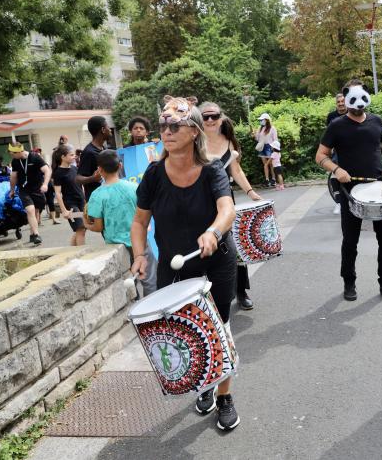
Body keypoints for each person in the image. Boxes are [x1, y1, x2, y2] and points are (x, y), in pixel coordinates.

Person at [130, 95, 241, 431]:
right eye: (163, 124)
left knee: (218, 328)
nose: (166, 130)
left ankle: (224, 396)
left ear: (194, 131)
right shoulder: (152, 174)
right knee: (185, 333)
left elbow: (227, 210)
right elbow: (139, 222)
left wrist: (213, 232)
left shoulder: (211, 171)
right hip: (175, 267)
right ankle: (204, 385)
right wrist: (139, 255)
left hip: (217, 261)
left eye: (175, 124)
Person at [315, 80, 382, 304]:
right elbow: (320, 156)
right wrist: (336, 169)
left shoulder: (375, 121)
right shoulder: (336, 125)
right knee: (350, 240)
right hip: (350, 190)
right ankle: (349, 282)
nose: (358, 105)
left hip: (379, 187)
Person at [199, 101, 262, 311]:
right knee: (205, 248)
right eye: (205, 116)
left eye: (213, 116)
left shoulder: (228, 141)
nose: (209, 120)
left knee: (234, 248)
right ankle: (206, 297)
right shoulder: (194, 140)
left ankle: (241, 291)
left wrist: (251, 192)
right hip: (199, 201)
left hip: (225, 201)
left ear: (221, 117)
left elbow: (236, 171)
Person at [85, 149, 158, 296]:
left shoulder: (97, 195)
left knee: (129, 283)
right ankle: (153, 315)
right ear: (120, 166)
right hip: (140, 242)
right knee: (150, 280)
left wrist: (86, 224)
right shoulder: (134, 187)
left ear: (99, 170)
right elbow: (145, 214)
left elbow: (98, 226)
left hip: (116, 247)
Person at [9, 142, 51, 245]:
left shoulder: (34, 157)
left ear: (19, 151)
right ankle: (36, 234)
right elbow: (13, 176)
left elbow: (47, 170)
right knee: (30, 210)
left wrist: (45, 184)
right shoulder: (15, 161)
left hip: (37, 188)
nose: (11, 155)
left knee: (35, 212)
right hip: (24, 189)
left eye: (12, 153)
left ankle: (32, 234)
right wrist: (12, 190)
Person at [51, 144, 85, 246]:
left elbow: (81, 186)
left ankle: (72, 251)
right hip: (71, 205)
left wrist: (86, 201)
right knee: (80, 229)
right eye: (71, 155)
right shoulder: (58, 173)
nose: (74, 156)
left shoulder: (75, 168)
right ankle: (82, 256)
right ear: (63, 157)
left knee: (82, 229)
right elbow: (57, 193)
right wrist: (64, 210)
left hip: (81, 202)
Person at [77, 115, 112, 201]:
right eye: (108, 127)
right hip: (96, 201)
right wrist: (93, 178)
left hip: (107, 198)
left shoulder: (103, 149)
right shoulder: (89, 152)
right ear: (103, 130)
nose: (110, 130)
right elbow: (78, 178)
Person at [254, 113, 278, 187]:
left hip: (269, 147)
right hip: (262, 147)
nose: (261, 121)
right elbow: (257, 139)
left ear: (266, 120)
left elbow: (275, 139)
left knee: (271, 164)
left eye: (262, 120)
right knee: (265, 164)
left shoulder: (272, 128)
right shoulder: (260, 128)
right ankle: (267, 180)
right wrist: (254, 135)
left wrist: (275, 149)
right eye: (260, 120)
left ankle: (273, 179)